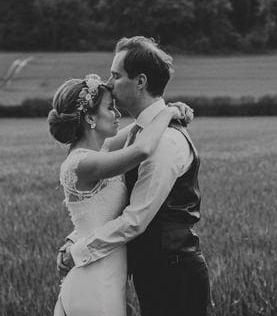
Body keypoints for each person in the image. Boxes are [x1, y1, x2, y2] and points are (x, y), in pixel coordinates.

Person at [58, 36, 211, 316]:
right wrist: (75, 239)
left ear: (140, 82)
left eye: (116, 75)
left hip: (174, 277)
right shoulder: (139, 134)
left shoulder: (164, 141)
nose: (109, 84)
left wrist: (78, 250)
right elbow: (105, 205)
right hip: (151, 274)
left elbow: (135, 219)